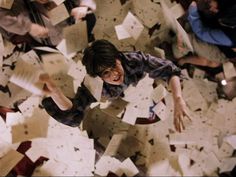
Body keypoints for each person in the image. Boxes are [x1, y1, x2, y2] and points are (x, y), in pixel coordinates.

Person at [41, 40, 190, 132]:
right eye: (106, 73)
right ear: (98, 77)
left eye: (114, 65)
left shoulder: (132, 59)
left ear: (118, 57)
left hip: (139, 87)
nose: (115, 74)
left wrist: (177, 98)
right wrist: (56, 93)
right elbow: (73, 115)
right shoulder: (93, 85)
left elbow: (170, 70)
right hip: (117, 100)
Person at [0, 0, 96, 46]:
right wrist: (29, 26)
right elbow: (3, 16)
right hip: (45, 37)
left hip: (69, 23)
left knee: (90, 20)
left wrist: (84, 6)